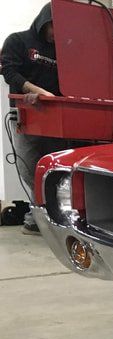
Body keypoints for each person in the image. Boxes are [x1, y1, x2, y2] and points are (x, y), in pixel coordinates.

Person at [1, 2, 66, 235]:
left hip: (55, 118)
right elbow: (9, 72)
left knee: (53, 168)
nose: (57, 34)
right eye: (53, 27)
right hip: (25, 115)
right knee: (28, 167)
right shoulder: (18, 41)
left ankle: (41, 217)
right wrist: (35, 90)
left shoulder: (63, 50)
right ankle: (38, 214)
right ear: (43, 21)